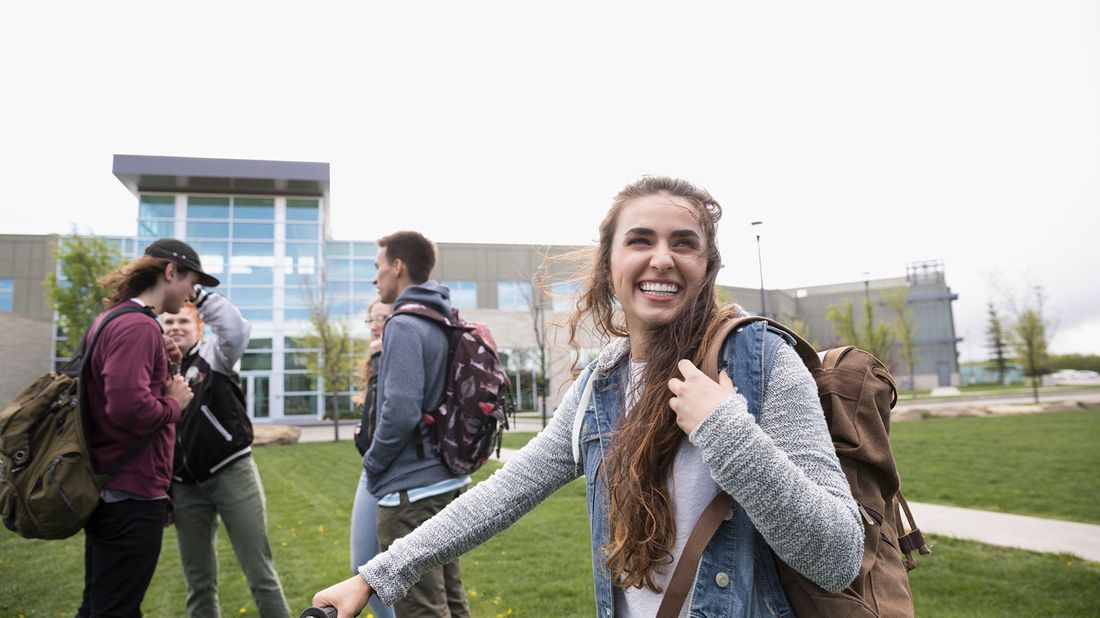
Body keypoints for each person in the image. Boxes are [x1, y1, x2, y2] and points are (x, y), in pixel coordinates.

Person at [312, 177, 864, 617]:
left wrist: (726, 431)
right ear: (609, 264)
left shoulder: (763, 361)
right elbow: (503, 494)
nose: (662, 259)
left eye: (684, 244)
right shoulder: (601, 385)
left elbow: (839, 555)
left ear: (707, 267)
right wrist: (374, 576)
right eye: (641, 240)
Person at [77, 238, 208, 617]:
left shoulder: (114, 318)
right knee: (116, 607)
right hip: (130, 493)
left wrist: (168, 364)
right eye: (190, 283)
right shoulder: (137, 326)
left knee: (101, 603)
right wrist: (174, 405)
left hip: (112, 487)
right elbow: (126, 408)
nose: (191, 294)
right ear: (170, 272)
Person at [360, 230, 470, 618]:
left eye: (378, 267)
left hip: (412, 491)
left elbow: (401, 411)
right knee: (451, 599)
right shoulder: (441, 315)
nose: (376, 279)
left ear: (398, 266)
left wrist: (373, 463)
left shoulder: (404, 324)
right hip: (446, 479)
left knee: (421, 606)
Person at [162, 287, 291, 617]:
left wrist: (196, 293)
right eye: (168, 322)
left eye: (183, 321)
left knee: (260, 575)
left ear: (199, 327)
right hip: (185, 487)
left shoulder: (215, 356)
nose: (175, 327)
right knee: (198, 584)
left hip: (231, 473)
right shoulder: (157, 372)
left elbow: (236, 329)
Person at [349, 298, 396, 618]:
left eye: (383, 317)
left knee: (411, 570)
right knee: (363, 565)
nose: (376, 324)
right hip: (374, 470)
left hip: (397, 471)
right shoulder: (374, 362)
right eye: (371, 320)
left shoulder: (394, 359)